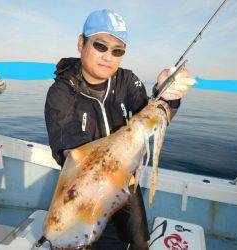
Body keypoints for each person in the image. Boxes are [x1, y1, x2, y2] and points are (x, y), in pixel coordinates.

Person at [45, 9, 195, 250]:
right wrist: (143, 121)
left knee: (137, 244)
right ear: (81, 43)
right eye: (100, 46)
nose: (108, 56)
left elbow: (151, 118)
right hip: (82, 197)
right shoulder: (61, 93)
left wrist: (166, 97)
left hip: (128, 192)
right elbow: (72, 155)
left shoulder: (127, 81)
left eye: (118, 51)